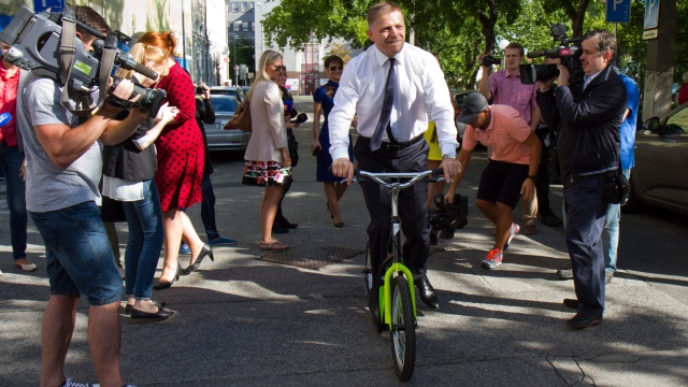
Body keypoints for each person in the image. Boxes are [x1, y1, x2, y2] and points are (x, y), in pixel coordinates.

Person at [15, 6, 149, 385]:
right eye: (87, 44)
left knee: (64, 293)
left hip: (67, 202)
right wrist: (107, 111)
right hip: (65, 205)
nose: (89, 55)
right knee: (107, 294)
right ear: (62, 36)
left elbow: (102, 136)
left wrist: (134, 116)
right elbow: (60, 149)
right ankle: (112, 383)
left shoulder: (63, 80)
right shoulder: (42, 83)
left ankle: (52, 381)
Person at [329, 2, 461, 312]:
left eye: (399, 26)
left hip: (412, 151)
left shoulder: (423, 62)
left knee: (417, 224)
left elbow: (442, 108)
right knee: (381, 225)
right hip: (372, 152)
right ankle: (378, 281)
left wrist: (450, 153)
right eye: (386, 28)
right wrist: (340, 154)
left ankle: (417, 275)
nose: (394, 33)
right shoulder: (357, 67)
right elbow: (341, 113)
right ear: (371, 33)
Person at [536, 30, 627, 329]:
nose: (581, 57)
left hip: (594, 175)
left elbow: (576, 116)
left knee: (584, 241)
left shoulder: (612, 87)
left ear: (606, 55)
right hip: (576, 174)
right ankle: (588, 295)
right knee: (583, 242)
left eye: (587, 52)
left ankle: (592, 307)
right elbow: (558, 120)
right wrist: (546, 89)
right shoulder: (584, 82)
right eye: (580, 52)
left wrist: (562, 86)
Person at [102, 43, 179, 320]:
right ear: (148, 64)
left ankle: (135, 295)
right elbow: (140, 141)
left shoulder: (123, 86)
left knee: (137, 236)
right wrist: (163, 121)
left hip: (124, 169)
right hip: (135, 170)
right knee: (151, 234)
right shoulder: (133, 92)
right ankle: (141, 298)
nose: (162, 74)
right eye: (160, 68)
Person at [135, 31, 213, 289]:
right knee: (171, 205)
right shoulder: (164, 74)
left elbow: (188, 112)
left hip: (180, 146)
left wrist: (158, 116)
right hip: (168, 144)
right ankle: (196, 245)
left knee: (168, 207)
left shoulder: (176, 75)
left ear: (157, 55)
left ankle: (171, 265)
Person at [445, 92, 541, 269]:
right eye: (468, 119)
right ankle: (507, 228)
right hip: (498, 160)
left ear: (486, 112)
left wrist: (531, 178)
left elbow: (535, 144)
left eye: (474, 118)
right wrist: (451, 189)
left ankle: (497, 251)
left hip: (521, 162)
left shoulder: (508, 119)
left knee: (504, 205)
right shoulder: (473, 128)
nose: (471, 123)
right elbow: (463, 158)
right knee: (482, 201)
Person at [478, 43, 555, 235]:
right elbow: (484, 96)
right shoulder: (496, 77)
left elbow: (536, 107)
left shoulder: (530, 79)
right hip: (499, 138)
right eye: (508, 55)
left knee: (527, 178)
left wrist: (531, 130)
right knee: (498, 180)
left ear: (521, 58)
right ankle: (502, 221)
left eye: (514, 56)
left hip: (523, 136)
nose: (510, 59)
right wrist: (484, 71)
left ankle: (530, 219)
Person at [242, 50, 292, 251]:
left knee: (271, 194)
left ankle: (267, 236)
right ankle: (267, 238)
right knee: (274, 193)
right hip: (272, 150)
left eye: (281, 67)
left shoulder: (257, 88)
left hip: (261, 148)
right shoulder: (270, 88)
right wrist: (284, 152)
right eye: (276, 67)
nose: (280, 70)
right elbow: (275, 124)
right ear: (266, 67)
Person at [0, 42, 36, 273]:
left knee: (18, 205)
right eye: (4, 47)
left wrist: (28, 155)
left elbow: (33, 116)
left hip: (16, 148)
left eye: (13, 47)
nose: (9, 52)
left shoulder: (27, 77)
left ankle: (20, 255)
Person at [602, 74, 640, 284]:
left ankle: (607, 266)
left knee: (610, 215)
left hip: (618, 158)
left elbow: (617, 118)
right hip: (593, 158)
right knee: (586, 213)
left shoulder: (627, 84)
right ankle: (583, 262)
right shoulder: (589, 80)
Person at [195, 82, 238, 245]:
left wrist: (207, 99)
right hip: (185, 159)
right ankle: (180, 240)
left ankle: (212, 235)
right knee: (180, 205)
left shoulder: (195, 103)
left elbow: (210, 118)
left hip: (201, 158)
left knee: (208, 198)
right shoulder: (173, 105)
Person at [312, 55, 352, 228]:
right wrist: (315, 139)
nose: (337, 71)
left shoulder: (347, 88)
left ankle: (332, 202)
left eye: (339, 68)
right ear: (327, 70)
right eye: (333, 68)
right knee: (328, 176)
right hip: (327, 135)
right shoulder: (321, 91)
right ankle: (336, 214)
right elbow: (315, 118)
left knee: (346, 175)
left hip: (344, 134)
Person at [274, 66, 300, 233]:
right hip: (278, 142)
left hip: (288, 140)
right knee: (278, 183)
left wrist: (297, 119)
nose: (283, 77)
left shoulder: (285, 93)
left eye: (285, 74)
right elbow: (274, 123)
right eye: (279, 74)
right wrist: (288, 123)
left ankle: (279, 217)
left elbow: (293, 113)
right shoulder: (273, 93)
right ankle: (275, 220)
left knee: (286, 182)